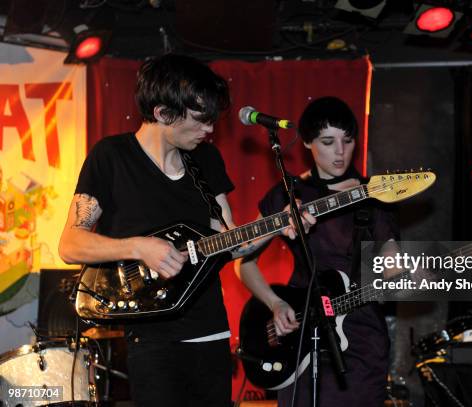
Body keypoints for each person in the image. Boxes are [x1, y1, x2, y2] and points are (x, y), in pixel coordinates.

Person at [58, 54, 314, 406]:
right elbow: (71, 243)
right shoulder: (112, 157)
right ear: (163, 113)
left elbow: (231, 242)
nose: (210, 129)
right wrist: (139, 247)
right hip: (152, 341)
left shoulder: (206, 161)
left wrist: (277, 223)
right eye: (201, 119)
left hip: (211, 333)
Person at [238, 96, 400, 407]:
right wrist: (275, 303)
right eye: (328, 141)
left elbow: (392, 271)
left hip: (360, 340)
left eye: (347, 140)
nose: (340, 152)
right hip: (299, 337)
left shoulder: (373, 197)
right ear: (309, 143)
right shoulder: (287, 195)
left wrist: (410, 277)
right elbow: (243, 262)